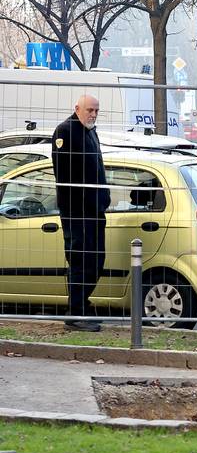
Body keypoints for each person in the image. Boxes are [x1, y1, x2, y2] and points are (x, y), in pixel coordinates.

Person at [51, 93, 111, 331]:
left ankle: (82, 305)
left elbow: (97, 168)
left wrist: (103, 199)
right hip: (77, 212)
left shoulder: (90, 131)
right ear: (77, 108)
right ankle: (75, 313)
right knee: (80, 259)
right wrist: (79, 206)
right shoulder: (65, 131)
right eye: (90, 110)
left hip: (95, 209)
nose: (93, 115)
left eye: (96, 110)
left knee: (96, 260)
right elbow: (64, 176)